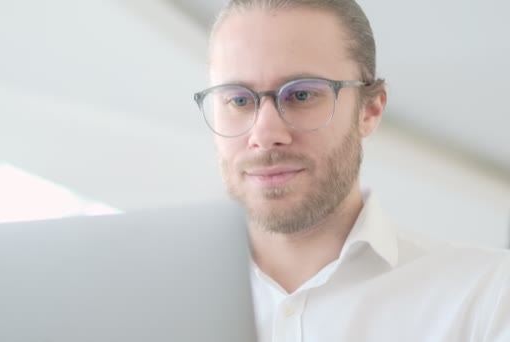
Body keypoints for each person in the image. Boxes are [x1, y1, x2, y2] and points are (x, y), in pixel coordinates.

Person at [193, 1, 510, 341]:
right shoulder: (151, 294)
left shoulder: (487, 297)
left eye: (301, 94)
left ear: (369, 110)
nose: (265, 135)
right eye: (239, 101)